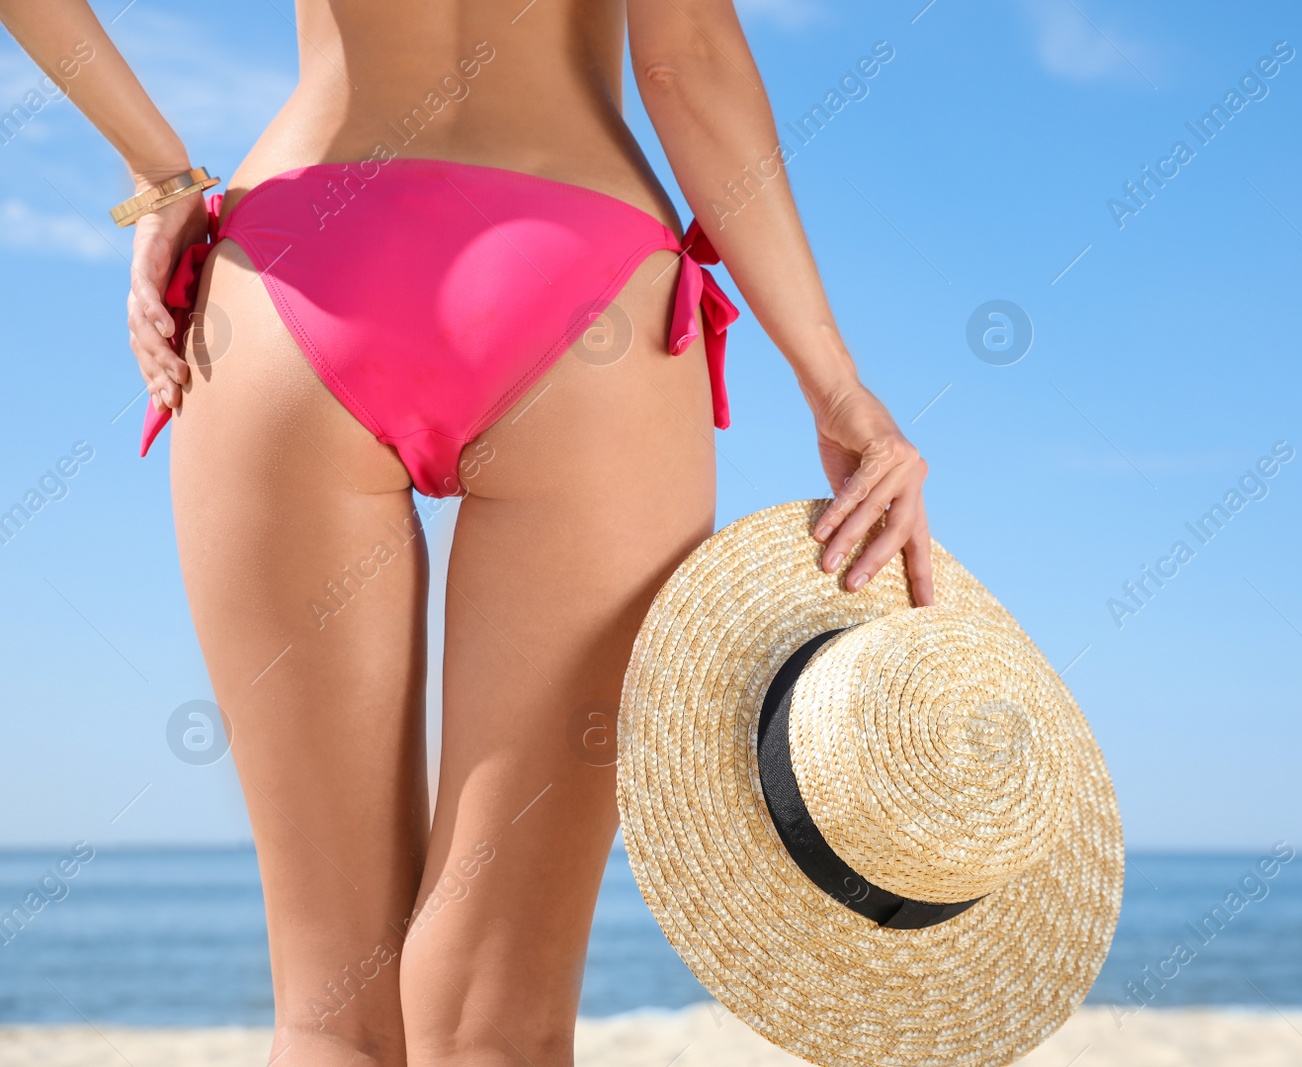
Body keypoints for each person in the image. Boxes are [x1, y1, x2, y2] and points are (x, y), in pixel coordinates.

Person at [0, 2, 934, 1064]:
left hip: (296, 258)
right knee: (499, 1023)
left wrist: (160, 177)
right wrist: (835, 386)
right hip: (584, 288)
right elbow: (687, 63)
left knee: (327, 1014)